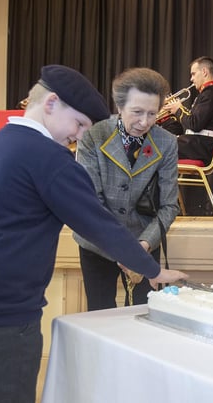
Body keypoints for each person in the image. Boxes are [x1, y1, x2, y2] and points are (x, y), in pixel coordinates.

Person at [0, 64, 188, 403]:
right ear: (50, 103)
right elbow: (97, 222)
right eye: (78, 124)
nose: (78, 136)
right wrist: (153, 269)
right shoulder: (50, 159)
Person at [73, 68, 179, 310]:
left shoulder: (167, 143)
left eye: (152, 113)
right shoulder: (93, 135)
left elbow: (169, 205)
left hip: (143, 242)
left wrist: (141, 246)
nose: (145, 122)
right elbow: (91, 202)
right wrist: (121, 249)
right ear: (119, 107)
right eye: (137, 112)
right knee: (100, 315)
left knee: (144, 314)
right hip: (97, 243)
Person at [163, 56, 213, 165]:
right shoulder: (207, 93)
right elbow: (192, 122)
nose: (191, 79)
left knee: (154, 146)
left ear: (204, 72)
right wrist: (172, 112)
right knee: (156, 141)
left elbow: (194, 125)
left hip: (200, 147)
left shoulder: (211, 93)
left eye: (193, 74)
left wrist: (179, 109)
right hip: (196, 144)